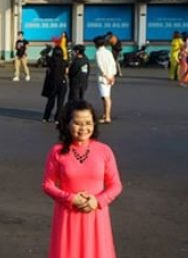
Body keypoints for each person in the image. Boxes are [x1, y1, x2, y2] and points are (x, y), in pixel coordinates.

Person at [42, 99, 122, 258]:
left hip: (96, 217)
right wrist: (71, 199)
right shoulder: (57, 152)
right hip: (67, 217)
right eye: (78, 123)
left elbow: (115, 185)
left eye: (88, 123)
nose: (84, 128)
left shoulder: (104, 151)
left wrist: (97, 201)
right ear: (67, 124)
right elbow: (47, 184)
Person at [41, 37, 69, 123]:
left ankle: (45, 117)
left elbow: (43, 54)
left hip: (52, 83)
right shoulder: (65, 62)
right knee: (60, 102)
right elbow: (67, 72)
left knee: (50, 101)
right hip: (62, 83)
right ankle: (57, 119)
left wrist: (48, 48)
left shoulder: (50, 60)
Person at [95, 35, 118, 124]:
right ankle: (105, 114)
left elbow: (100, 66)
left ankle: (107, 117)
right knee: (105, 96)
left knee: (106, 97)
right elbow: (113, 63)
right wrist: (112, 75)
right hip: (110, 76)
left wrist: (106, 76)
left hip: (103, 78)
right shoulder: (108, 52)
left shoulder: (98, 53)